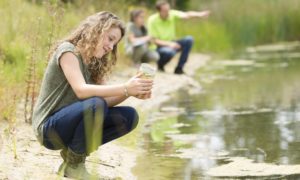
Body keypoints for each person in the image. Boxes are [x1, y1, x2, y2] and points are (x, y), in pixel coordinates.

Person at [32, 11, 153, 179]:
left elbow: (105, 103)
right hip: (49, 129)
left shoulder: (96, 64)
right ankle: (74, 166)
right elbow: (81, 90)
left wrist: (131, 93)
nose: (111, 47)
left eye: (115, 43)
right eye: (110, 39)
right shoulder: (68, 52)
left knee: (129, 117)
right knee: (96, 104)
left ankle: (72, 158)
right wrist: (125, 87)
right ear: (95, 30)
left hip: (71, 125)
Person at [147, 0, 210, 74]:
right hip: (158, 47)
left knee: (189, 39)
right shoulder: (152, 20)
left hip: (171, 43)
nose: (168, 12)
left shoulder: (172, 14)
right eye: (165, 11)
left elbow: (187, 14)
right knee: (170, 52)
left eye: (168, 10)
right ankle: (160, 65)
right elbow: (154, 40)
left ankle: (179, 68)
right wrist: (170, 44)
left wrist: (200, 14)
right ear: (159, 11)